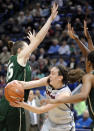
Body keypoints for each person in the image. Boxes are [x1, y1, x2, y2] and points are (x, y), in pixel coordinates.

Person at [0, 3, 58, 131]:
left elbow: (27, 85)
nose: (31, 50)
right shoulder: (19, 58)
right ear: (20, 50)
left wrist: (45, 81)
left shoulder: (16, 62)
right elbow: (39, 39)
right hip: (14, 104)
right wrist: (50, 19)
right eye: (28, 48)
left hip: (6, 103)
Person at [10, 66, 85, 131]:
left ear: (60, 78)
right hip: (50, 122)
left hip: (64, 126)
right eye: (50, 73)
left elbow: (40, 110)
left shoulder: (64, 93)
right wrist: (14, 83)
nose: (50, 76)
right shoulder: (48, 81)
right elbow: (27, 84)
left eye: (52, 73)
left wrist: (22, 104)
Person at [40, 50, 94, 131]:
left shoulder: (89, 77)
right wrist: (83, 39)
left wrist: (56, 100)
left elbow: (83, 96)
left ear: (88, 63)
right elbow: (91, 51)